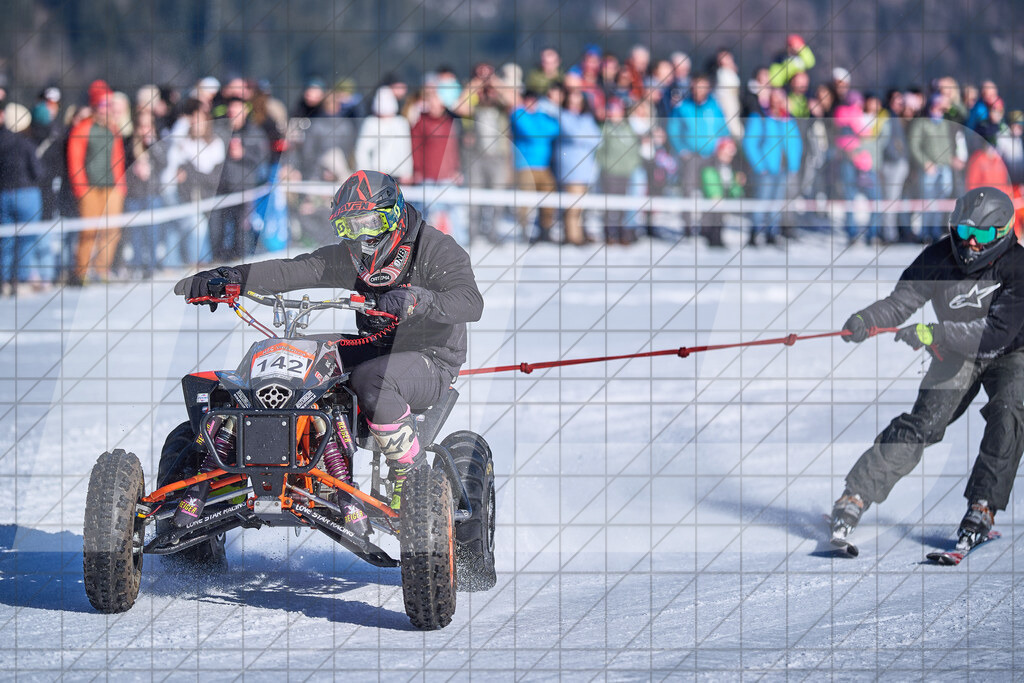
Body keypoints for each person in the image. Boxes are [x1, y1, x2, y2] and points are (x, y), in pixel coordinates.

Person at [173, 170, 483, 518]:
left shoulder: (435, 249)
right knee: (292, 354)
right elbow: (293, 270)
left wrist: (416, 299)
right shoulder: (349, 256)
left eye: (366, 223)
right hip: (374, 343)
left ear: (392, 215)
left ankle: (410, 474)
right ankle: (245, 465)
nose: (359, 236)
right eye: (348, 227)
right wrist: (231, 277)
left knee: (373, 382)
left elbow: (471, 302)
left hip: (430, 358)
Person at [833, 186, 1024, 552]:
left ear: (1001, 233)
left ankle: (983, 506)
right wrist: (864, 320)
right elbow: (900, 303)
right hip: (953, 352)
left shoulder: (1018, 266)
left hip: (1011, 352)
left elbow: (995, 336)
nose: (971, 243)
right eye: (964, 232)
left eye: (982, 235)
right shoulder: (938, 257)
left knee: (1009, 410)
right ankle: (855, 495)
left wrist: (934, 332)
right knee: (924, 423)